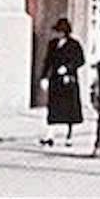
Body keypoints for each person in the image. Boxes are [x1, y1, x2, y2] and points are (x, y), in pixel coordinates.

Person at [38, 17, 85, 146]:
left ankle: (69, 136)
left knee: (70, 110)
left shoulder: (74, 45)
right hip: (56, 80)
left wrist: (68, 68)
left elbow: (80, 60)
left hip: (69, 80)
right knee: (53, 108)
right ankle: (50, 134)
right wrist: (44, 77)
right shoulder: (53, 44)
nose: (57, 34)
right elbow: (48, 61)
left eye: (59, 31)